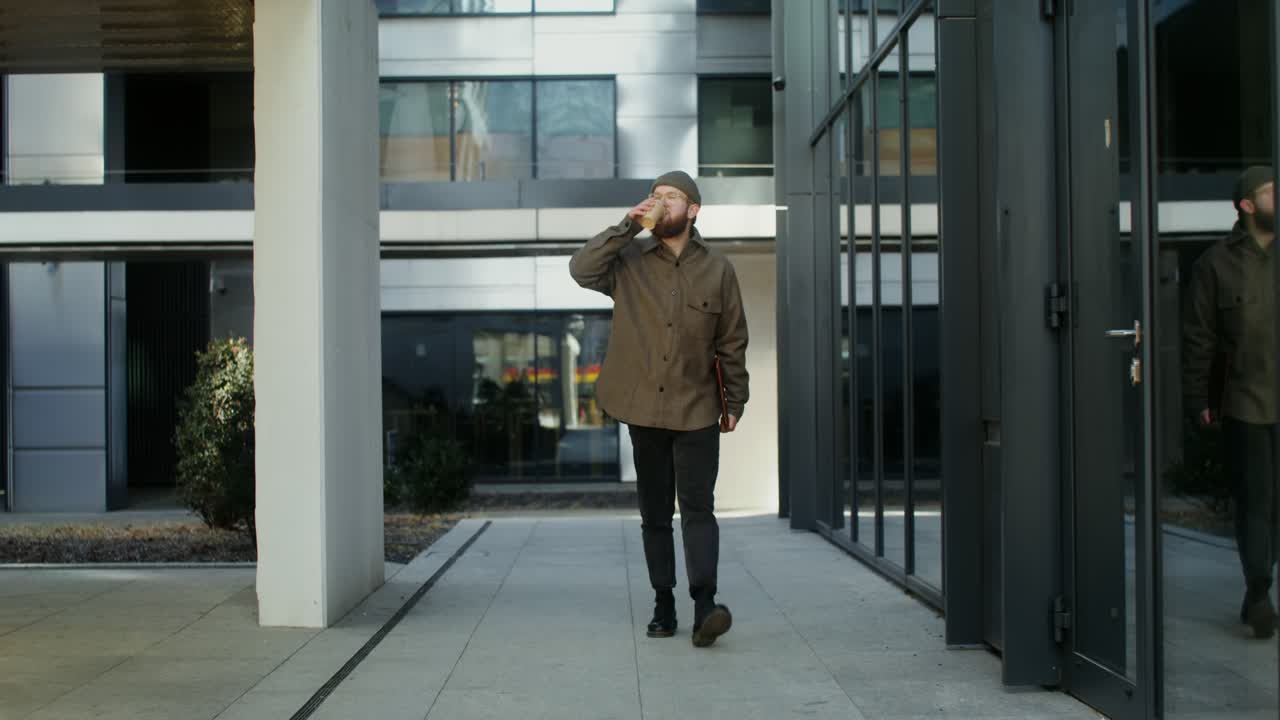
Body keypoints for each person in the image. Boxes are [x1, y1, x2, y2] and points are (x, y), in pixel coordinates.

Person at [569, 170, 749, 648]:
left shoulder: (719, 269)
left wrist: (736, 399)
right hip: (643, 408)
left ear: (693, 210)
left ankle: (705, 605)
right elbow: (581, 269)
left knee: (698, 509)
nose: (660, 201)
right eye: (655, 195)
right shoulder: (627, 260)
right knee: (654, 512)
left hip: (697, 408)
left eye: (671, 196)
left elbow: (732, 340)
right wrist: (628, 225)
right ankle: (663, 602)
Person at [1183, 165, 1277, 639]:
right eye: (1271, 192)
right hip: (1245, 403)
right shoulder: (1215, 265)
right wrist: (1200, 397)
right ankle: (1259, 592)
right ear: (1246, 205)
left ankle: (1258, 585)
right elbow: (1199, 338)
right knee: (1256, 502)